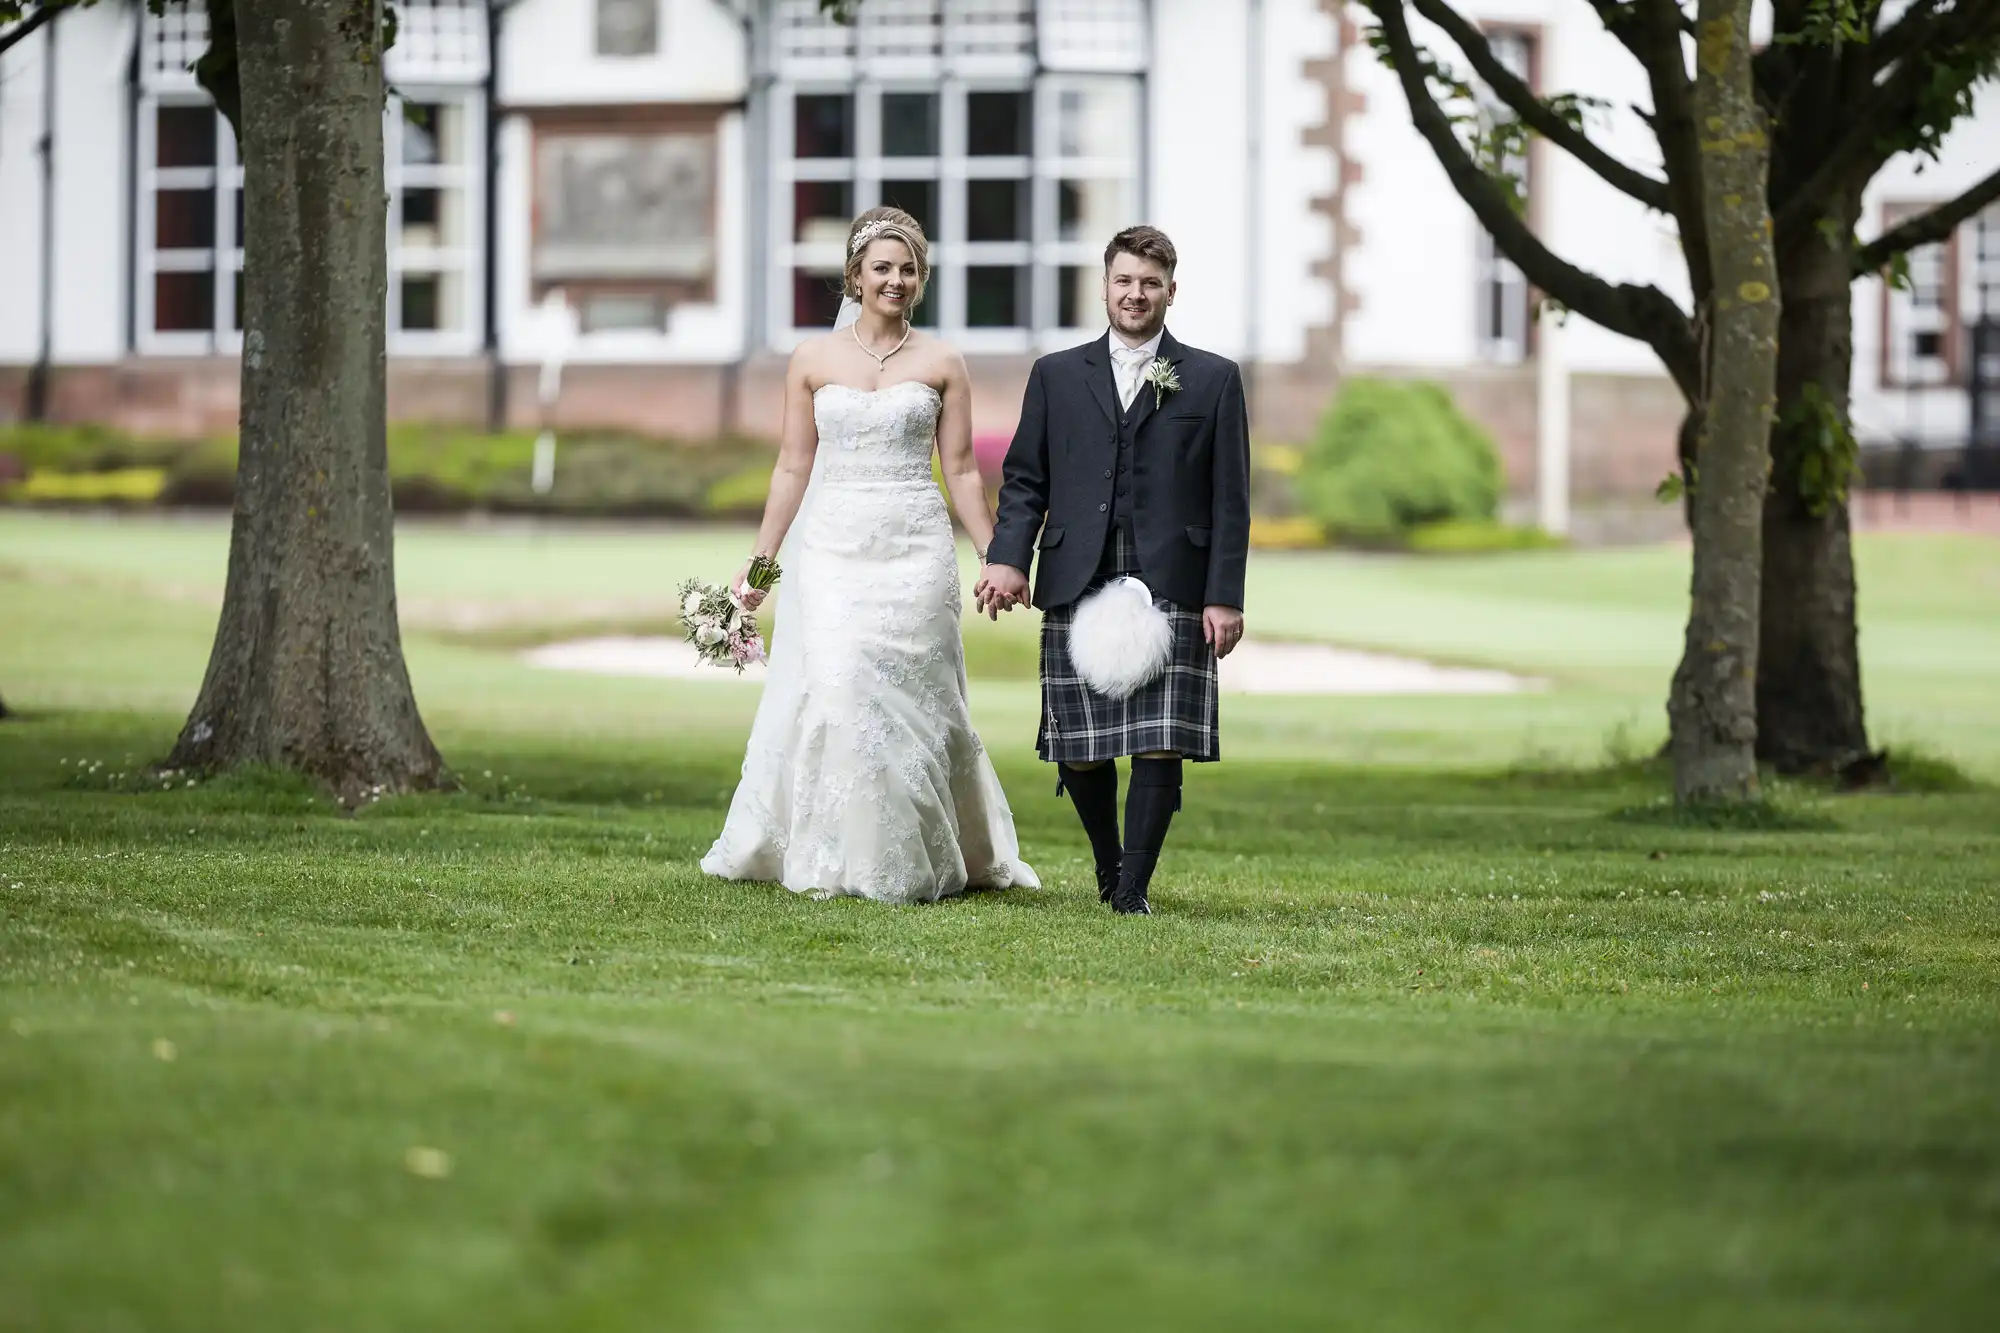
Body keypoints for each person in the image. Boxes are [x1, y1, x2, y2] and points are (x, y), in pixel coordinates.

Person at [701, 208, 1038, 903]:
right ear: (855, 276)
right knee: (841, 682)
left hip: (916, 547)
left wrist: (997, 555)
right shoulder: (812, 361)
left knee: (919, 699)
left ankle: (925, 850)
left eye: (907, 268)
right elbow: (793, 467)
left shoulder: (943, 361)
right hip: (832, 547)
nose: (895, 279)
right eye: (881, 267)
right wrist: (761, 567)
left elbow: (963, 471)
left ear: (920, 279)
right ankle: (837, 851)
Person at [976, 226, 1251, 915]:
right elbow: (1025, 479)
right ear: (1105, 286)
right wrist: (1008, 556)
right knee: (1082, 742)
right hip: (1078, 568)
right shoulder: (1057, 374)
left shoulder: (1213, 378)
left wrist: (1224, 597)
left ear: (1171, 292)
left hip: (1175, 578)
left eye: (1150, 283)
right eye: (1124, 281)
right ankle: (1108, 864)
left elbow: (1231, 499)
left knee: (1161, 739)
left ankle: (1133, 891)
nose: (1136, 294)